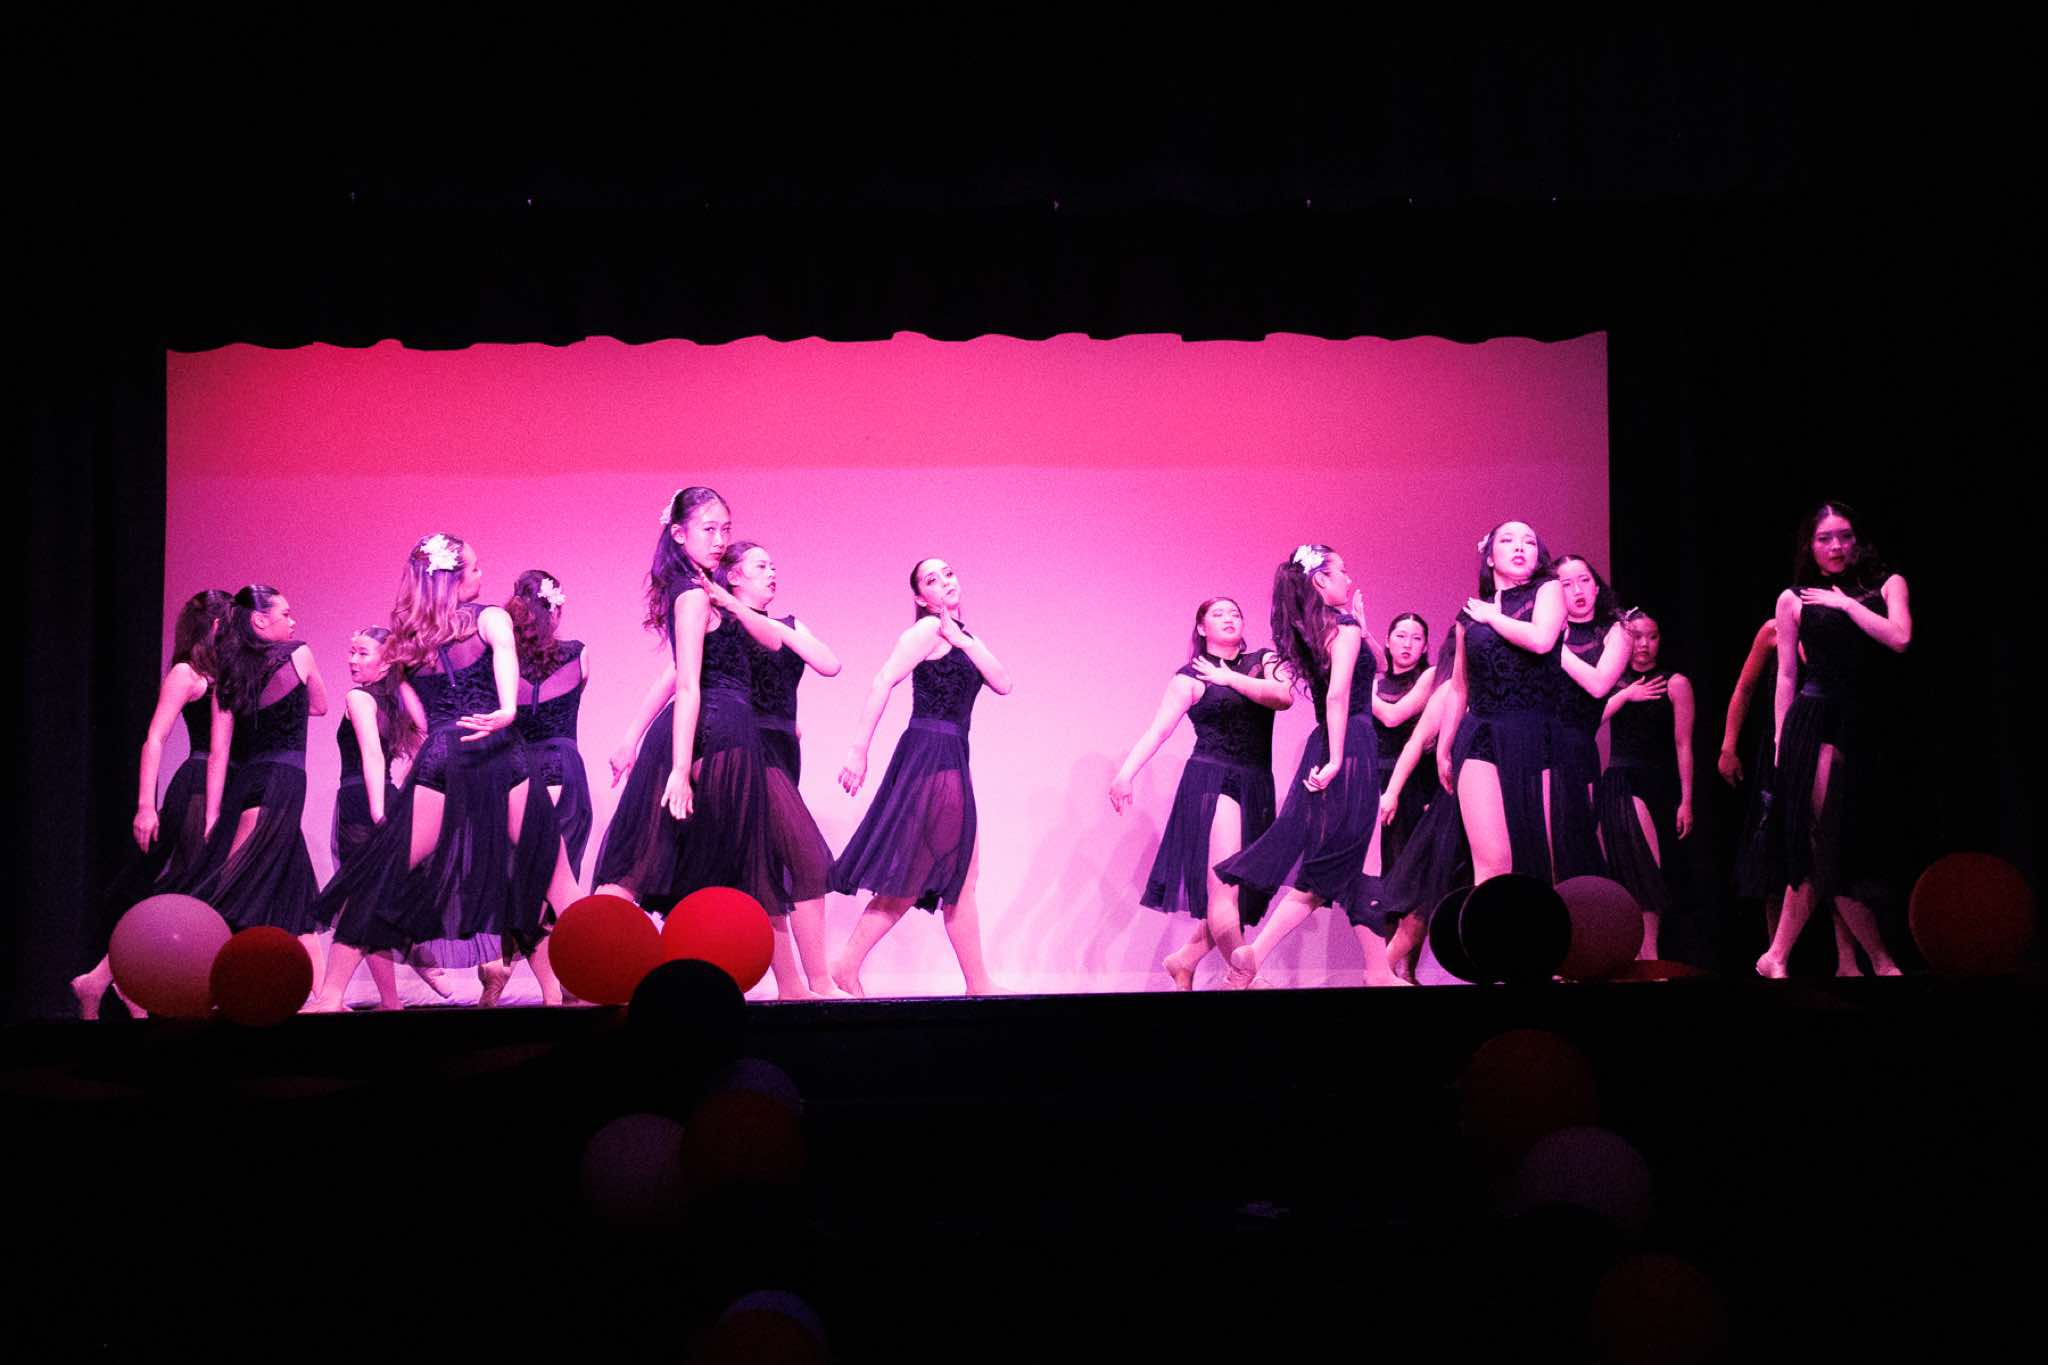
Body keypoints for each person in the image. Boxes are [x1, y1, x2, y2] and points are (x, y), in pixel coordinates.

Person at [310, 534, 577, 1009]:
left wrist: (439, 737)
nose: (481, 574)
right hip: (498, 754)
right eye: (473, 568)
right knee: (550, 876)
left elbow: (417, 718)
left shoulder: (408, 641)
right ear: (452, 578)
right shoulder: (490, 618)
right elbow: (505, 656)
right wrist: (507, 710)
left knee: (381, 873)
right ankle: (570, 990)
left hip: (443, 757)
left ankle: (330, 996)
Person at [828, 558, 1012, 997]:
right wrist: (858, 749)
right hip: (931, 753)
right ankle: (848, 965)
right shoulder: (926, 630)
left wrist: (962, 640)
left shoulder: (961, 635)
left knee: (957, 875)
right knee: (932, 873)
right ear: (920, 598)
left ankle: (976, 982)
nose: (945, 581)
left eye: (948, 572)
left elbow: (1003, 683)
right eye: (932, 579)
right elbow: (882, 680)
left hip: (951, 754)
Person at [1216, 545, 1397, 987]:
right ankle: (1255, 953)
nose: (1348, 577)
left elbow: (1378, 667)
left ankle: (1378, 971)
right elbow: (1338, 695)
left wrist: (1365, 627)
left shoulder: (1323, 628)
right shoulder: (1342, 628)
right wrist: (1336, 758)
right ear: (1320, 580)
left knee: (1360, 862)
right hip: (1349, 742)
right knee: (1337, 864)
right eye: (1341, 571)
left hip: (1337, 740)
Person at [1755, 502, 1910, 978]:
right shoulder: (1794, 598)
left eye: (1844, 536)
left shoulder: (1888, 585)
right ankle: (1880, 962)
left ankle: (1777, 956)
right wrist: (1780, 740)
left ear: (1858, 539)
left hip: (1868, 724)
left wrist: (1845, 604)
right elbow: (1786, 675)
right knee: (1828, 839)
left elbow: (1900, 638)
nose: (1836, 546)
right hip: (1816, 721)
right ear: (1810, 545)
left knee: (1851, 846)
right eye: (1825, 538)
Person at [1107, 596, 1290, 990]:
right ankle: (1245, 975)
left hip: (1257, 783)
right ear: (1202, 628)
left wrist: (1230, 679)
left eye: (1235, 613)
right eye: (1218, 614)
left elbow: (1283, 697)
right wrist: (1126, 774)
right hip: (1212, 781)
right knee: (1225, 890)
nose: (1229, 618)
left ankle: (1184, 959)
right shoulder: (1189, 677)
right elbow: (1159, 731)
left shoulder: (1264, 660)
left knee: (1243, 895)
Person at [72, 589, 233, 1018]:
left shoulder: (225, 673)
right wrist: (146, 805)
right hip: (196, 787)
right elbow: (155, 738)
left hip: (222, 784)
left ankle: (104, 980)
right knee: (189, 887)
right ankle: (109, 979)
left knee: (199, 888)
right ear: (218, 625)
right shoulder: (187, 673)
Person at [701, 540, 850, 998]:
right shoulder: (721, 622)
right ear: (733, 576)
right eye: (761, 565)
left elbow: (830, 664)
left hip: (784, 750)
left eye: (773, 565)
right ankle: (815, 981)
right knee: (804, 858)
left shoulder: (787, 624)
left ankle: (793, 986)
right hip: (747, 748)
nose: (772, 572)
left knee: (771, 866)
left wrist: (769, 625)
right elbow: (688, 682)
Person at [174, 584, 329, 983]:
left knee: (293, 891)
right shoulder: (297, 653)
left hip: (247, 783)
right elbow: (320, 706)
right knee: (226, 889)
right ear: (260, 620)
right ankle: (129, 971)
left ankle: (325, 997)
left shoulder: (229, 673)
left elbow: (219, 753)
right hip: (283, 782)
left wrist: (212, 816)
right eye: (285, 614)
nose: (293, 621)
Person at [1596, 608, 1695, 959]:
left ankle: (1649, 955)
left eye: (1652, 637)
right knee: (1627, 871)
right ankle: (1637, 956)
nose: (1644, 644)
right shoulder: (1612, 681)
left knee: (1650, 871)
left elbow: (1684, 744)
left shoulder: (1675, 683)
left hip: (1657, 784)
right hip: (1619, 782)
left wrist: (1687, 800)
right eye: (1637, 637)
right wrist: (1625, 695)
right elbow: (1589, 719)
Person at [1551, 555, 1629, 879]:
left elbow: (1598, 686)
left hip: (1577, 749)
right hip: (1536, 747)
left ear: (1596, 587)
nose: (1577, 590)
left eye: (1584, 580)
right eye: (1566, 584)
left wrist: (1552, 646)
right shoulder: (1547, 631)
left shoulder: (1615, 632)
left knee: (1575, 841)